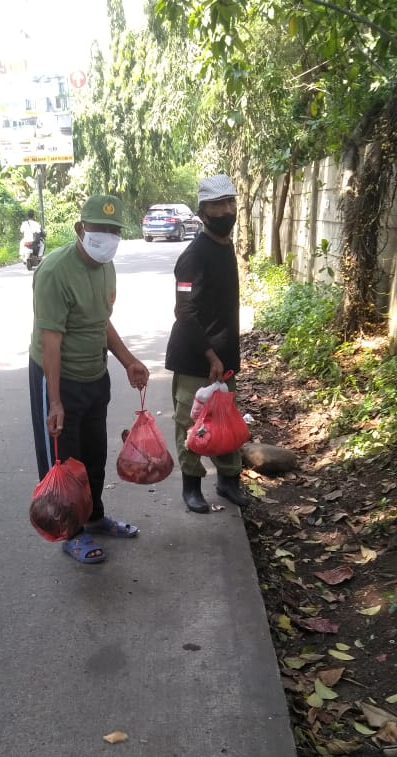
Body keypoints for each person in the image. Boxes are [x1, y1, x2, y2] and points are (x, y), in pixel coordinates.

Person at [28, 194, 150, 564]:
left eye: (115, 231)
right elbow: (52, 341)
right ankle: (71, 532)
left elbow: (100, 321)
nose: (108, 237)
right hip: (59, 377)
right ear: (81, 229)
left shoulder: (106, 265)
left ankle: (94, 517)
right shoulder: (53, 272)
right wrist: (56, 402)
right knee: (66, 462)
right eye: (100, 230)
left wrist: (127, 360)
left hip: (95, 374)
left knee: (95, 454)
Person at [165, 174, 251, 514]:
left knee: (227, 420)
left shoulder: (227, 246)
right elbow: (184, 311)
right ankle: (192, 486)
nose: (226, 210)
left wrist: (224, 355)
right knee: (192, 423)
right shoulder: (192, 256)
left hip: (225, 355)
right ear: (203, 213)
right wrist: (209, 355)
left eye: (230, 202)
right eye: (218, 205)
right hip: (193, 356)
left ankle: (229, 481)